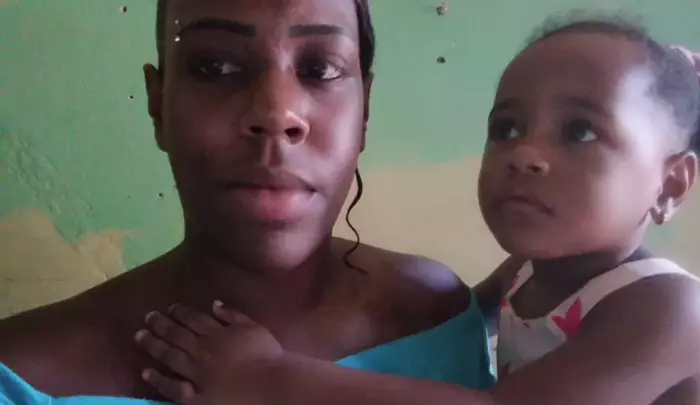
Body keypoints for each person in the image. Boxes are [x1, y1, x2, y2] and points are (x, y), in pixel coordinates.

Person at [135, 16, 700, 405]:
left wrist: (271, 378)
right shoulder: (527, 271)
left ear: (670, 185)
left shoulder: (669, 310)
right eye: (507, 128)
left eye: (580, 132)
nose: (525, 154)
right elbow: (455, 318)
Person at [0, 0, 509, 403]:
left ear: (365, 110)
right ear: (159, 105)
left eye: (320, 68)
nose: (276, 112)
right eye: (214, 66)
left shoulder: (437, 315)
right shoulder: (22, 378)